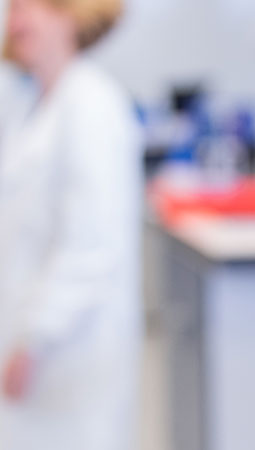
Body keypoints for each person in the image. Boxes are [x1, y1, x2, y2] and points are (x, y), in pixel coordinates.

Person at [0, 0, 142, 449]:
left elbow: (92, 249)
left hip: (67, 356)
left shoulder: (91, 104)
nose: (14, 20)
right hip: (35, 344)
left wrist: (33, 342)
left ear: (70, 15)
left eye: (27, 8)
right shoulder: (35, 102)